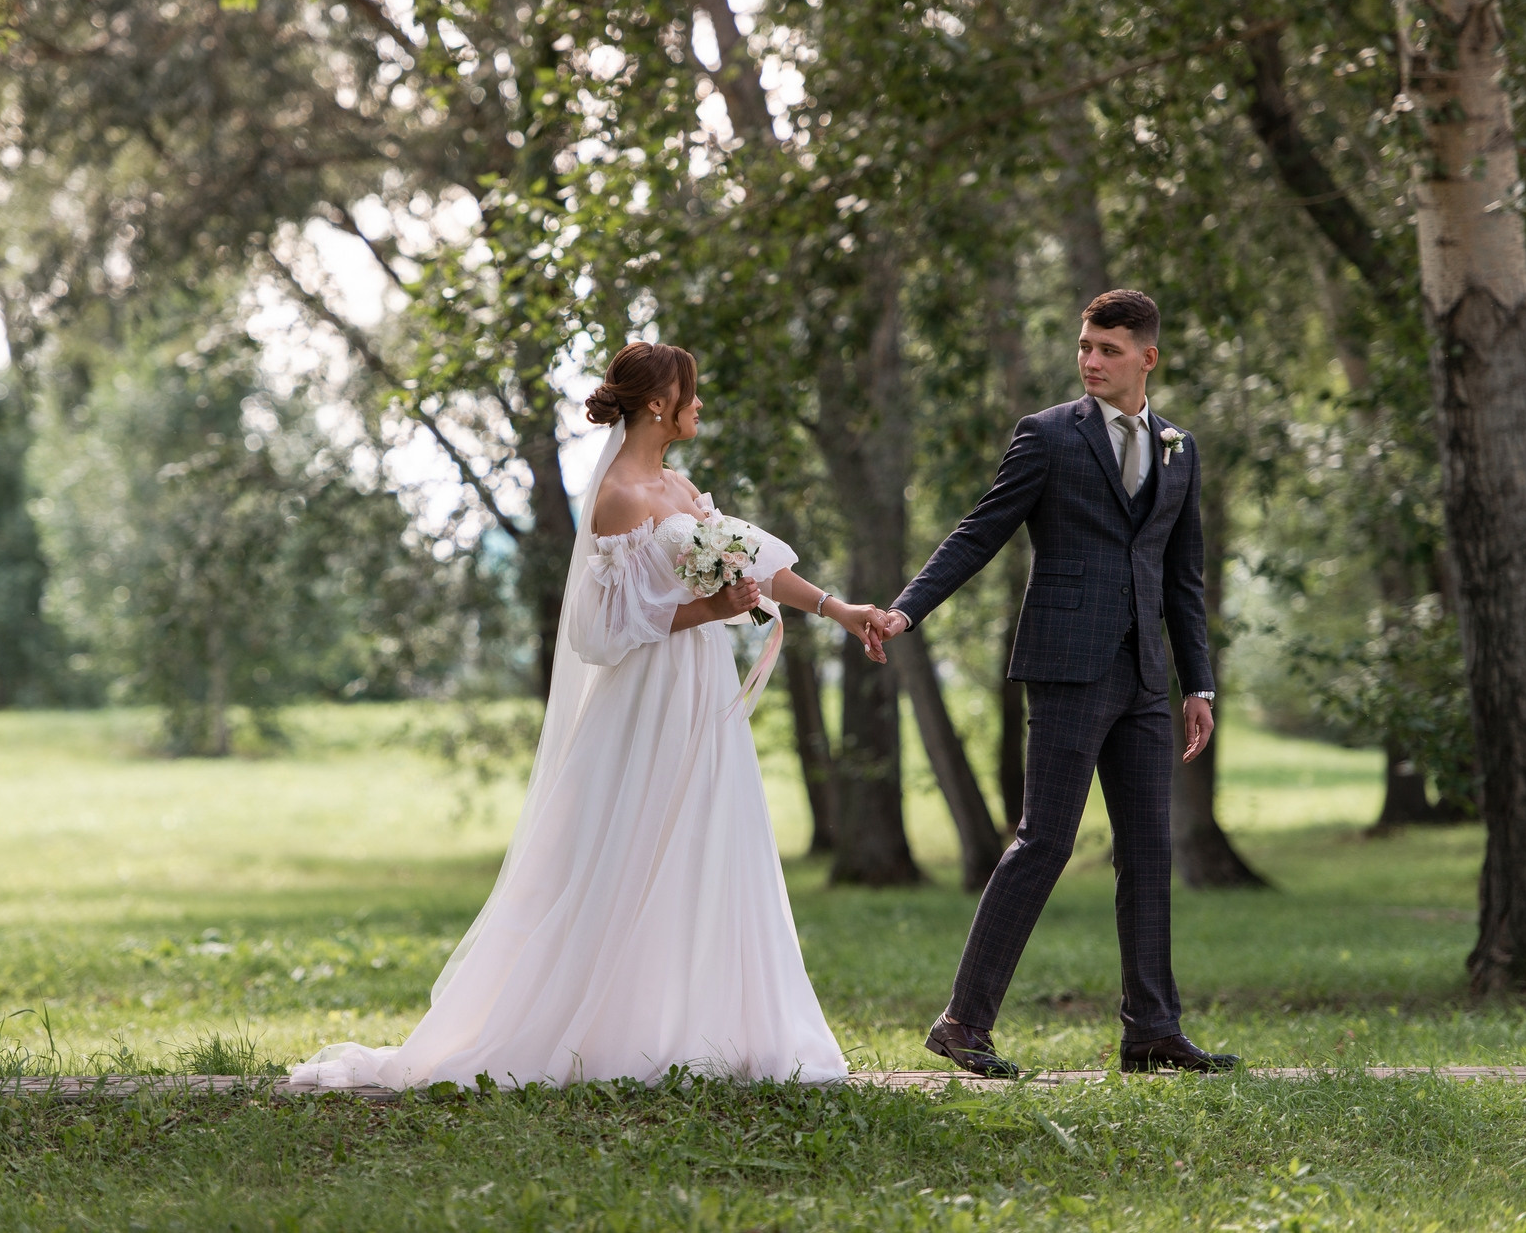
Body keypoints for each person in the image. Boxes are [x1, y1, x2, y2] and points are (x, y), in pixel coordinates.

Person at [287, 341, 892, 1090]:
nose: (701, 404)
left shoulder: (682, 485)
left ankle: (722, 1027)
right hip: (647, 699)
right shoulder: (617, 498)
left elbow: (762, 565)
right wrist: (709, 606)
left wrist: (840, 609)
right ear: (659, 404)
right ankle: (614, 1030)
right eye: (691, 393)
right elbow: (600, 630)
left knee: (712, 839)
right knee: (629, 850)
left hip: (701, 690)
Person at [875, 289, 1240, 1077]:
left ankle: (1151, 1030)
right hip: (1067, 666)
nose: (1091, 360)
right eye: (1084, 346)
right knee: (1045, 839)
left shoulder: (1180, 447)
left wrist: (1199, 683)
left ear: (1147, 357)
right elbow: (981, 529)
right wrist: (908, 611)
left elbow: (1185, 577)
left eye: (1108, 348)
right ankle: (963, 1021)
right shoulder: (1046, 436)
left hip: (1146, 674)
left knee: (1148, 851)